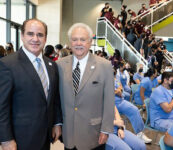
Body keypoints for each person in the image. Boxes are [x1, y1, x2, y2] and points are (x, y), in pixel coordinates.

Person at [0, 18, 62, 150]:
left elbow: (54, 98)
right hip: (20, 139)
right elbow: (1, 106)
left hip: (45, 136)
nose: (35, 39)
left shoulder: (51, 65)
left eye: (40, 35)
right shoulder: (7, 64)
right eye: (30, 34)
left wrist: (57, 123)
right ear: (22, 36)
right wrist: (5, 139)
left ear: (45, 38)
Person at [57, 23, 114, 150]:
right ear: (70, 42)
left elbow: (109, 101)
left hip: (93, 134)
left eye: (83, 39)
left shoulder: (104, 65)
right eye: (74, 39)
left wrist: (106, 130)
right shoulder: (60, 65)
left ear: (90, 42)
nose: (78, 43)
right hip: (69, 133)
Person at [114, 69, 152, 143]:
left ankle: (139, 133)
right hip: (112, 102)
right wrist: (116, 91)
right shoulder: (102, 81)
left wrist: (119, 90)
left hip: (120, 100)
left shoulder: (115, 79)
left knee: (134, 109)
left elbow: (121, 88)